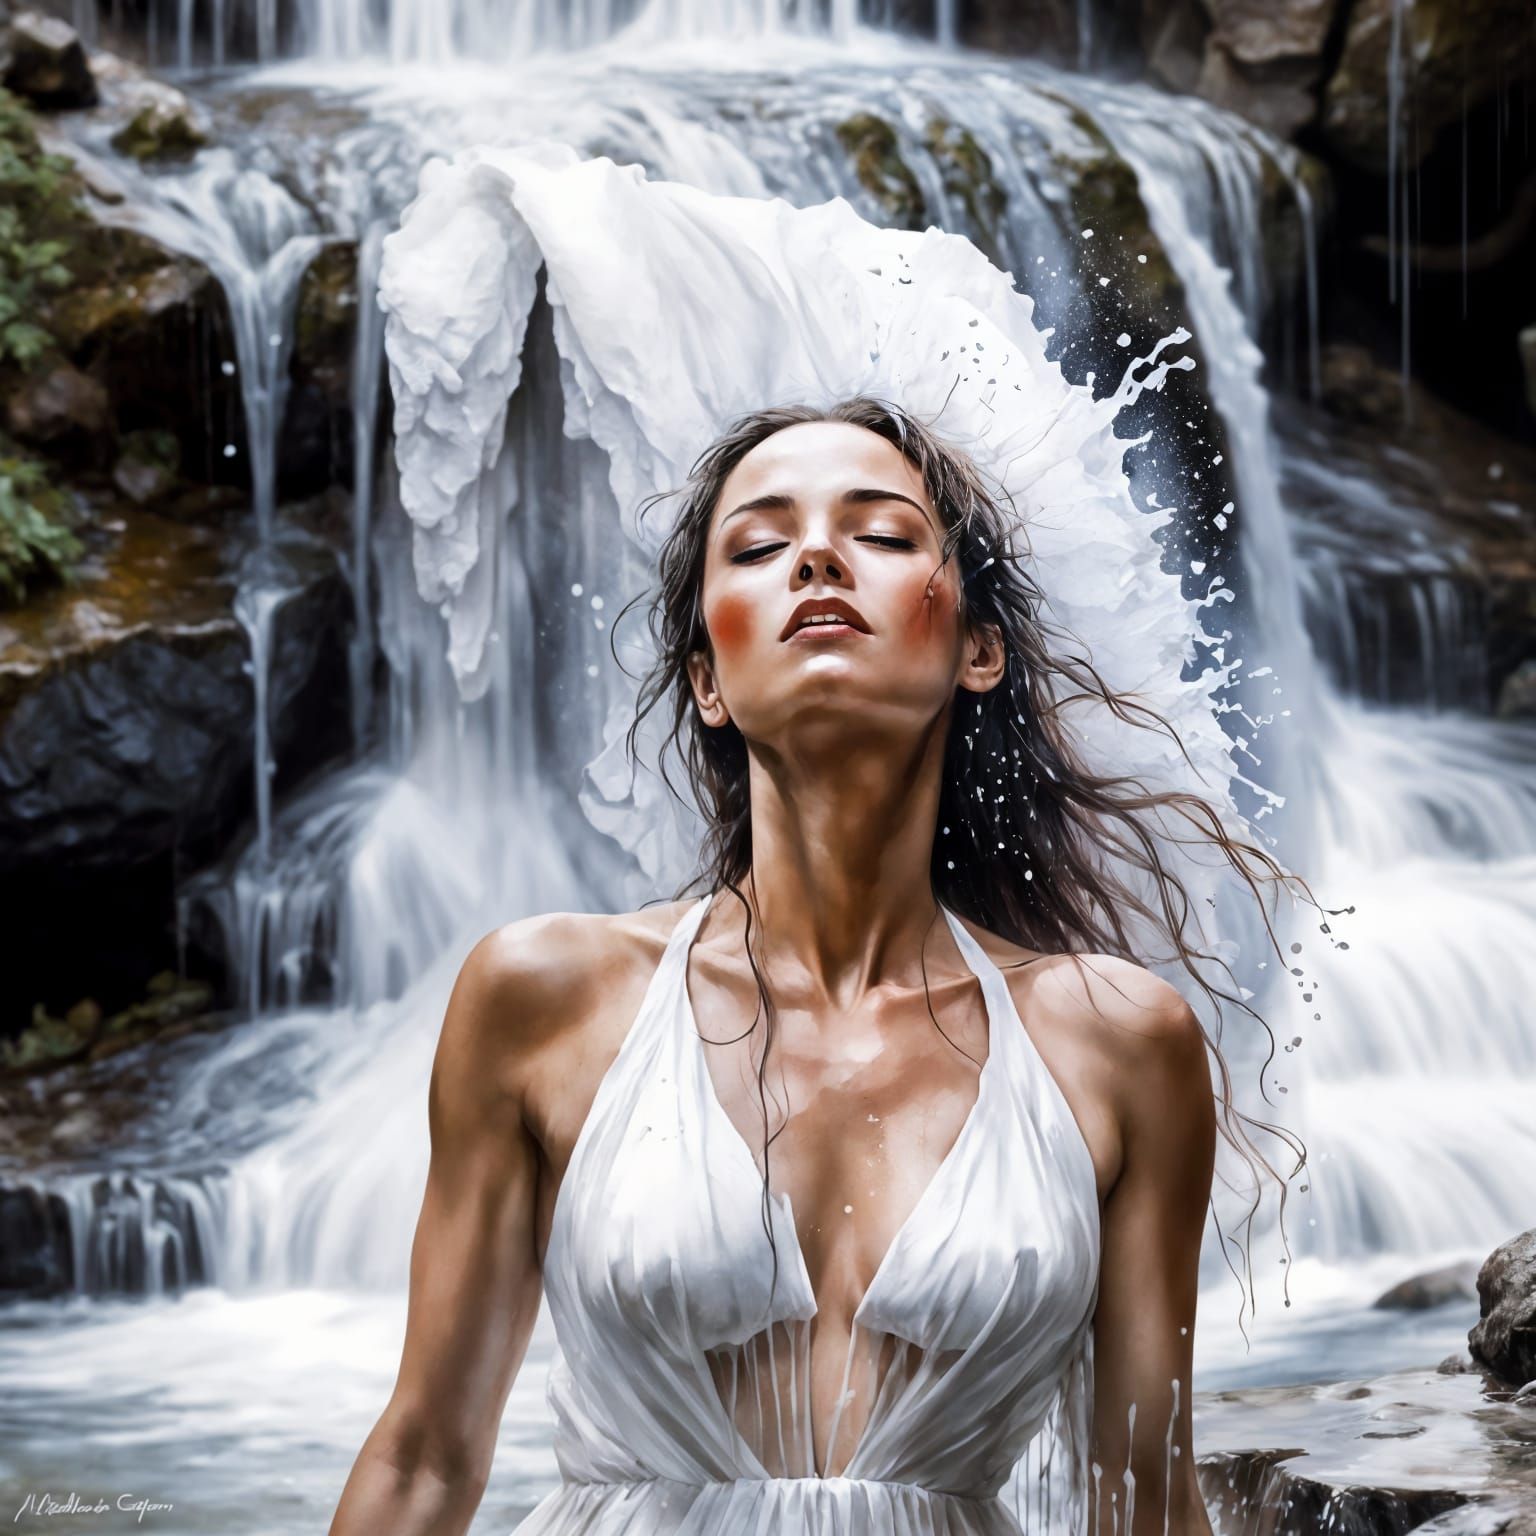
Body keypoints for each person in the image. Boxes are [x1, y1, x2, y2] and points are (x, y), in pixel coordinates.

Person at [329, 396, 1299, 1536]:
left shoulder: (1118, 1044)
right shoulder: (545, 999)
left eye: (883, 536)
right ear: (707, 679)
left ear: (976, 650)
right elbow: (426, 1459)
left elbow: (1142, 1502)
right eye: (759, 545)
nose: (820, 558)